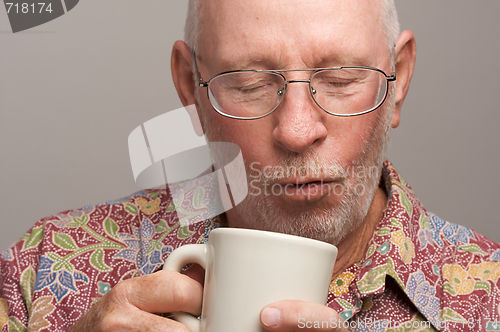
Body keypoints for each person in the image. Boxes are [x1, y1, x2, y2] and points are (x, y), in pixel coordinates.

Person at [1, 0, 500, 331]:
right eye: (249, 84)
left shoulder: (489, 298)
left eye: (342, 79)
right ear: (189, 88)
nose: (298, 130)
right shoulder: (42, 271)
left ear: (399, 79)